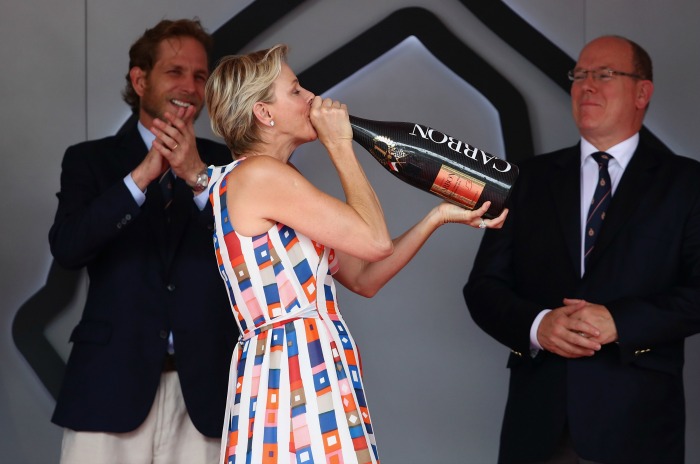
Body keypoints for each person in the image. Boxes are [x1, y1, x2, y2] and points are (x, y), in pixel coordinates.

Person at [154, 43, 506, 463]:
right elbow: (374, 240)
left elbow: (364, 277)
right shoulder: (259, 176)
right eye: (296, 90)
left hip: (309, 363)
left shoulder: (276, 179)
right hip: (293, 373)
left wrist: (436, 217)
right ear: (264, 113)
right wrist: (341, 145)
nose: (313, 100)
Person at [463, 35, 700, 464]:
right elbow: (482, 287)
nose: (587, 85)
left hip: (640, 425)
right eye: (580, 75)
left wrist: (619, 321)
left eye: (604, 75)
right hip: (538, 425)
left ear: (642, 92)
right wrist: (538, 325)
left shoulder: (686, 184)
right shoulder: (527, 180)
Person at [49, 19, 238, 463]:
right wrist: (139, 179)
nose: (190, 86)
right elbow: (68, 247)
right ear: (140, 79)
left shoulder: (226, 163)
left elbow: (248, 251)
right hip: (107, 386)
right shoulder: (90, 160)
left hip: (207, 393)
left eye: (199, 75)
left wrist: (197, 177)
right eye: (175, 72)